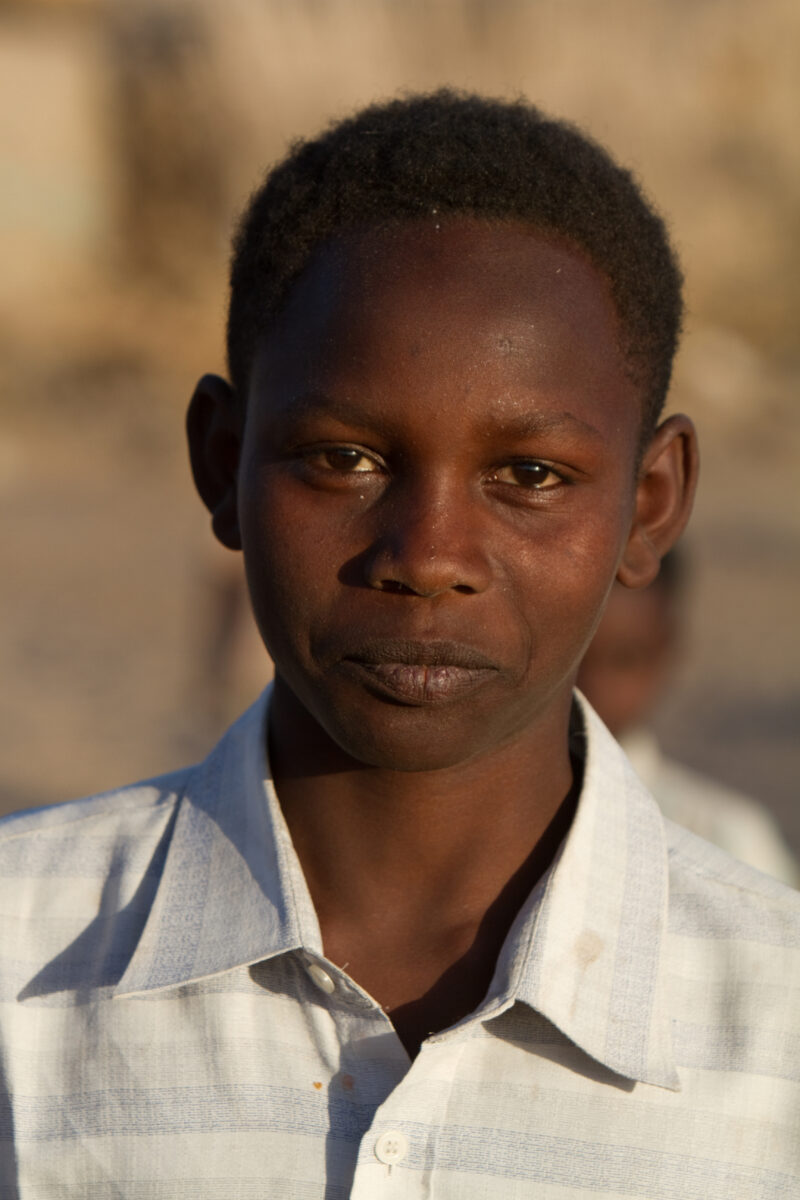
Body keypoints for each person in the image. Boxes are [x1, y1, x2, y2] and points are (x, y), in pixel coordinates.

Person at [1, 91, 798, 1197]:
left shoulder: (775, 1026)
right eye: (341, 458)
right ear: (220, 463)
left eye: (528, 476)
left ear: (650, 504)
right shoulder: (20, 960)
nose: (426, 555)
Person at [577, 550, 800, 884]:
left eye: (623, 660)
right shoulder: (490, 821)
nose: (593, 686)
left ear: (665, 651)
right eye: (576, 657)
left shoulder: (728, 842)